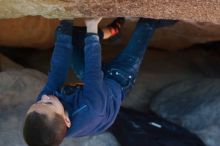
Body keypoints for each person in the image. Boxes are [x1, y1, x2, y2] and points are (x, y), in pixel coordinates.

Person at [23, 17, 176, 146]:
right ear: (67, 120)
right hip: (118, 79)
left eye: (37, 102)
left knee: (64, 34)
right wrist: (92, 26)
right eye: (48, 103)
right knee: (146, 23)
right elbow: (92, 72)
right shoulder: (92, 109)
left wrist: (66, 19)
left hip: (92, 87)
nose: (45, 97)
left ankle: (111, 31)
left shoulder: (44, 110)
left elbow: (57, 71)